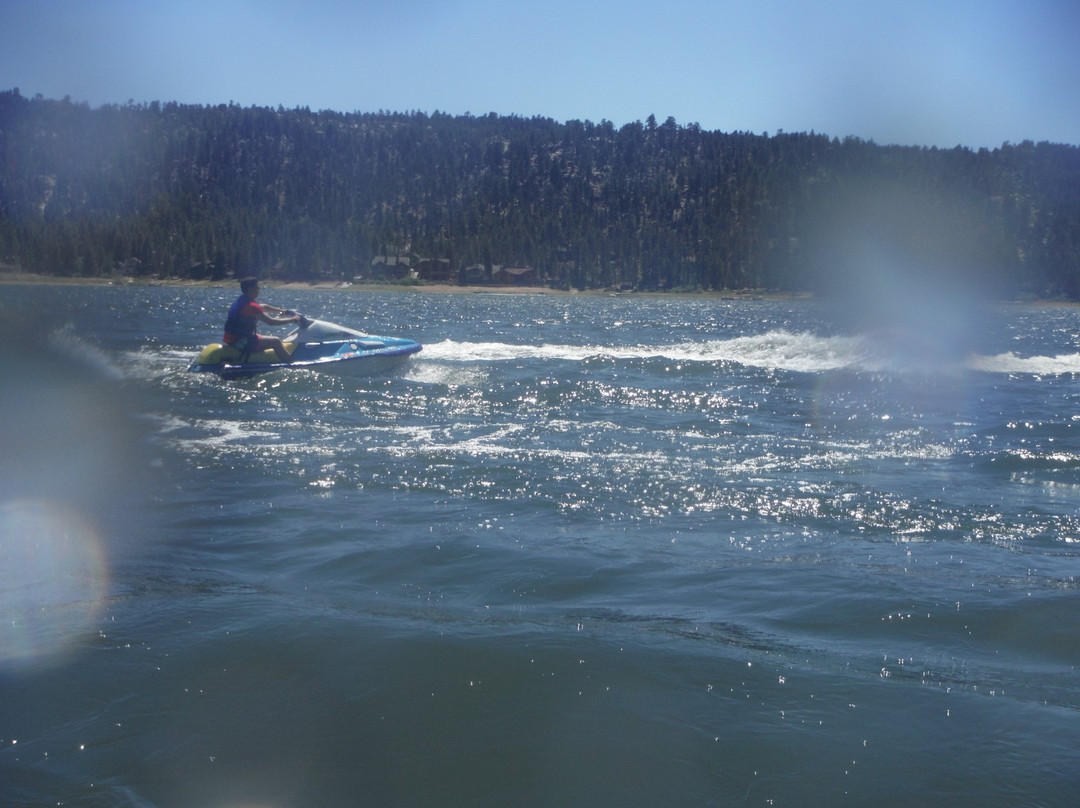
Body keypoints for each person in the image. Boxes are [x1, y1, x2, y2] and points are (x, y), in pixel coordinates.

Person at [223, 277, 302, 362]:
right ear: (250, 289)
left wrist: (282, 311)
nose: (259, 290)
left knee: (263, 337)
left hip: (231, 338)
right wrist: (292, 319)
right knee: (276, 341)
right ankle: (291, 364)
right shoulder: (252, 306)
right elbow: (271, 322)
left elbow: (263, 306)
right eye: (257, 287)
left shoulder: (242, 301)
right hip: (241, 341)